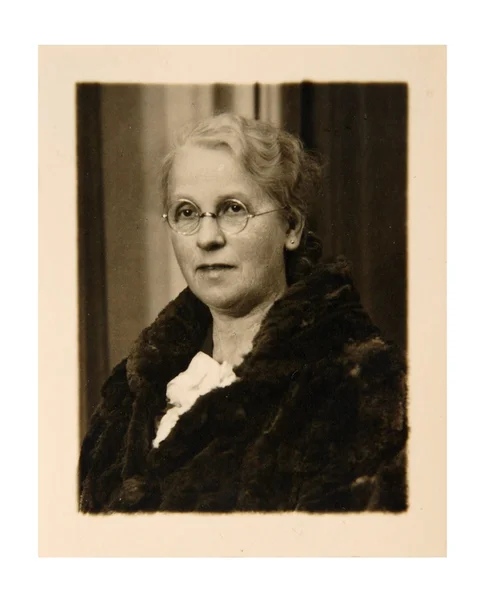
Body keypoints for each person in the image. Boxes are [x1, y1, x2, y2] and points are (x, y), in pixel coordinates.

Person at [79, 113, 408, 513]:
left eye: (233, 209)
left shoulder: (358, 384)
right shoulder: (131, 392)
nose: (207, 237)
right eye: (186, 212)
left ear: (292, 227)